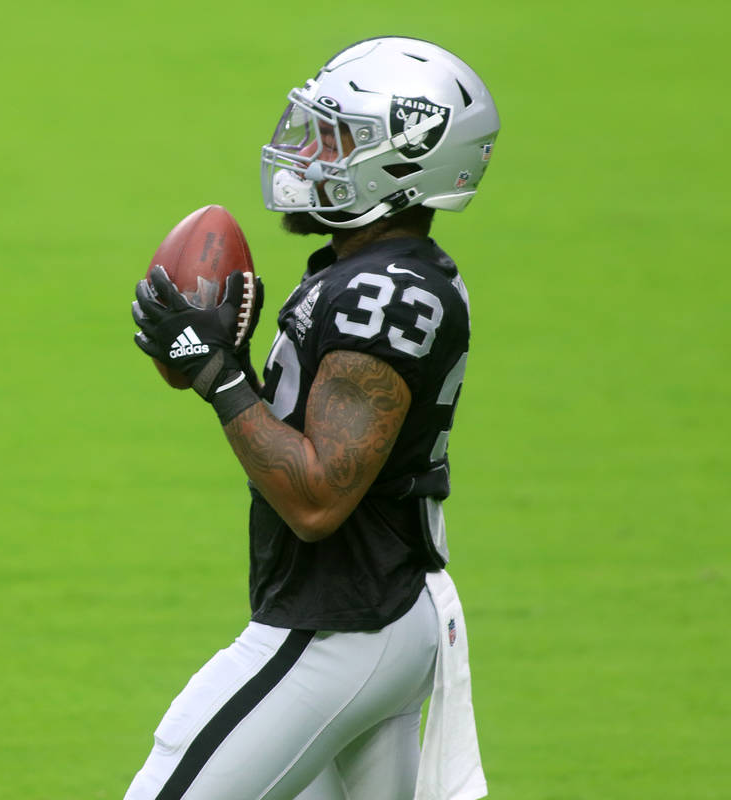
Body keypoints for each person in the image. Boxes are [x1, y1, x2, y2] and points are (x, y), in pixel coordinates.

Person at [128, 36, 500, 800]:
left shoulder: (384, 296)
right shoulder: (365, 277)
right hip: (377, 611)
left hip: (341, 626)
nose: (309, 153)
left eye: (337, 139)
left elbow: (318, 498)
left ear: (405, 164)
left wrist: (218, 375)